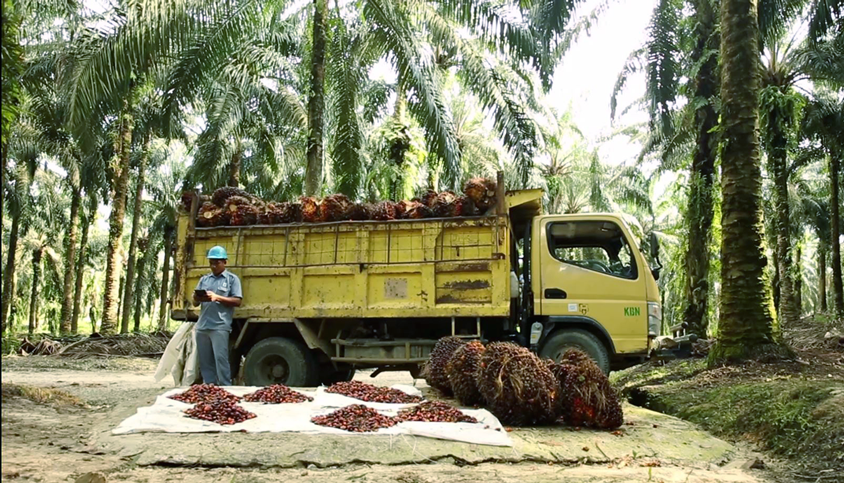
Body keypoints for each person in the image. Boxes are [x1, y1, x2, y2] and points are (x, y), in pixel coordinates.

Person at [192, 245, 242, 386]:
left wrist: (217, 297)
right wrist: (197, 297)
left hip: (219, 326)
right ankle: (209, 386)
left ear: (225, 262)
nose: (213, 266)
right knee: (205, 360)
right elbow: (194, 303)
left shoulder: (232, 279)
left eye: (217, 262)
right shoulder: (204, 280)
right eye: (211, 262)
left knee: (221, 359)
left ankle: (226, 387)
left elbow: (237, 301)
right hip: (203, 326)